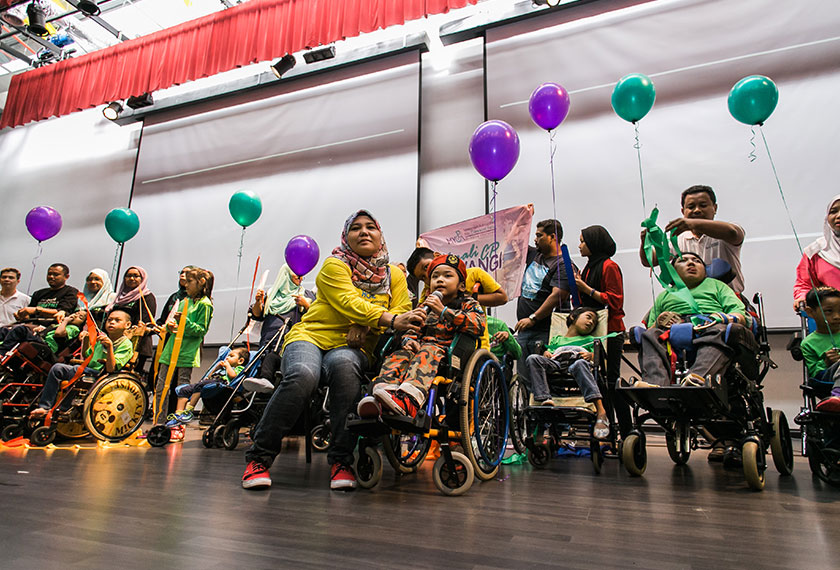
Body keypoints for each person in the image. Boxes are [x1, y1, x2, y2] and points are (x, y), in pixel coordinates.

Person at [242, 210, 420, 491]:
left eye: (370, 227)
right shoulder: (334, 265)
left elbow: (402, 309)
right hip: (310, 336)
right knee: (302, 375)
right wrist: (378, 320)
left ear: (380, 235)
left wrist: (368, 328)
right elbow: (348, 301)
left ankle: (341, 461)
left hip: (353, 346)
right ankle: (258, 459)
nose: (364, 232)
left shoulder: (394, 275)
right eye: (356, 228)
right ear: (346, 237)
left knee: (344, 368)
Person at [357, 254, 485, 419]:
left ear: (461, 286)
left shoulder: (468, 304)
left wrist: (444, 311)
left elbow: (478, 325)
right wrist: (408, 340)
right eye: (435, 276)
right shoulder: (425, 306)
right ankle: (381, 395)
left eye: (447, 276)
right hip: (420, 351)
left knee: (427, 351)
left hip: (448, 357)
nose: (440, 280)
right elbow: (414, 328)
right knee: (398, 354)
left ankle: (409, 400)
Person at [636, 252, 751, 388]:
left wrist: (723, 318)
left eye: (696, 261)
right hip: (672, 327)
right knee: (650, 335)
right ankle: (655, 384)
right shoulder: (665, 295)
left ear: (705, 271)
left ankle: (697, 378)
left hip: (710, 323)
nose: (691, 263)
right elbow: (651, 328)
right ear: (673, 271)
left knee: (721, 331)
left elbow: (738, 313)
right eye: (683, 261)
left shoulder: (717, 286)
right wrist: (659, 322)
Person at [573, 225, 630, 438]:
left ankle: (626, 430)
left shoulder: (609, 266)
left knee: (611, 382)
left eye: (583, 241)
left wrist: (585, 288)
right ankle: (607, 432)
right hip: (594, 331)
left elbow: (615, 301)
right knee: (598, 384)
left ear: (594, 243)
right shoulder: (588, 268)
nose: (579, 245)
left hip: (611, 332)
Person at [640, 185, 746, 294]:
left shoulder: (725, 231)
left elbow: (732, 232)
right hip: (692, 304)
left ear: (715, 208)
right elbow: (649, 261)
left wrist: (691, 224)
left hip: (728, 303)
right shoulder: (676, 239)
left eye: (703, 205)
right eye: (691, 207)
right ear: (683, 211)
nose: (697, 210)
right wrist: (645, 242)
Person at [524, 307, 610, 439]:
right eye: (588, 317)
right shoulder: (557, 340)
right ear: (572, 317)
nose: (591, 322)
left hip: (578, 362)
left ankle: (600, 410)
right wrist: (546, 353)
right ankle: (545, 399)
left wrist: (591, 355)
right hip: (557, 363)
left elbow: (600, 359)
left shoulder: (591, 339)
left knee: (580, 364)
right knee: (533, 358)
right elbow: (549, 352)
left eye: (594, 322)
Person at [30, 309, 134, 418]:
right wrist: (86, 340)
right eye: (109, 320)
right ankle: (44, 407)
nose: (112, 322)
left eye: (117, 320)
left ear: (127, 325)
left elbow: (111, 368)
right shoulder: (101, 338)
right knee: (57, 368)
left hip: (103, 376)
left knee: (77, 370)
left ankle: (64, 409)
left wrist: (110, 347)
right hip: (88, 370)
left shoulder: (126, 344)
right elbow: (86, 355)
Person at [153, 268, 214, 440]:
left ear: (200, 283)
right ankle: (159, 423)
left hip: (186, 352)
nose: (185, 284)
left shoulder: (205, 304)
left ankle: (177, 426)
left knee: (182, 389)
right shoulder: (184, 300)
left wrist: (184, 321)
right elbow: (175, 326)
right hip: (171, 349)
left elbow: (201, 330)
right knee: (161, 388)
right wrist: (171, 328)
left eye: (189, 281)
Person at [407, 246, 507, 349]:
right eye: (423, 278)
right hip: (434, 344)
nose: (427, 276)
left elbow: (502, 297)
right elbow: (418, 322)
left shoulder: (473, 274)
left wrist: (467, 298)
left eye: (426, 267)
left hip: (471, 344)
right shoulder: (428, 292)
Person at [514, 219, 571, 375]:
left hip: (544, 333)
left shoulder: (563, 264)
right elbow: (514, 241)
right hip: (525, 330)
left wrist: (533, 318)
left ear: (552, 237)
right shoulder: (535, 254)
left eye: (539, 235)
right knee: (524, 379)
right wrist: (523, 216)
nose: (535, 239)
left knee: (540, 380)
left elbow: (557, 296)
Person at [249, 264, 316, 385]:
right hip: (269, 341)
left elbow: (317, 315)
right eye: (297, 276)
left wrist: (305, 304)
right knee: (267, 361)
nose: (300, 279)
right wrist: (258, 302)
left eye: (302, 277)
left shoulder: (306, 295)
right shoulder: (271, 295)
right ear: (285, 275)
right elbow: (257, 315)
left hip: (291, 341)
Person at [170, 346, 250, 423]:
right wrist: (216, 368)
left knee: (201, 386)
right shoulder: (223, 367)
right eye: (228, 355)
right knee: (184, 390)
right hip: (212, 381)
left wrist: (227, 366)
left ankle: (189, 410)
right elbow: (209, 376)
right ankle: (178, 414)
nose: (227, 358)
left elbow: (233, 376)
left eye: (231, 356)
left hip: (221, 383)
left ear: (240, 361)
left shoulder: (239, 368)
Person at [793, 195, 840, 310]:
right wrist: (802, 297)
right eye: (833, 212)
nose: (839, 216)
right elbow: (804, 285)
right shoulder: (815, 252)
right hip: (833, 318)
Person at [109, 266, 157, 374]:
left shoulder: (147, 297)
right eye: (128, 276)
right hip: (116, 343)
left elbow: (146, 320)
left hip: (138, 345)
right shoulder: (118, 297)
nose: (132, 278)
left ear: (143, 278)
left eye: (136, 276)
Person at [800, 287, 840, 413]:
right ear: (810, 312)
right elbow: (814, 374)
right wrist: (826, 363)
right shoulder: (809, 343)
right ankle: (838, 395)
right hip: (827, 381)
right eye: (829, 311)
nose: (837, 316)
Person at [0, 309, 85, 359]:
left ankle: (2, 353)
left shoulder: (74, 329)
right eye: (76, 313)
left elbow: (58, 334)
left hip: (46, 347)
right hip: (39, 339)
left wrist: (66, 320)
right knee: (5, 330)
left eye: (80, 317)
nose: (76, 316)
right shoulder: (60, 324)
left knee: (21, 329)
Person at [14, 264, 79, 323]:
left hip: (54, 327)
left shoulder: (71, 291)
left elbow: (62, 312)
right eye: (49, 274)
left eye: (56, 274)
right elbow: (30, 315)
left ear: (66, 277)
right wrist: (22, 316)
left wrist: (37, 310)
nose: (51, 277)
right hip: (34, 326)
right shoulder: (38, 293)